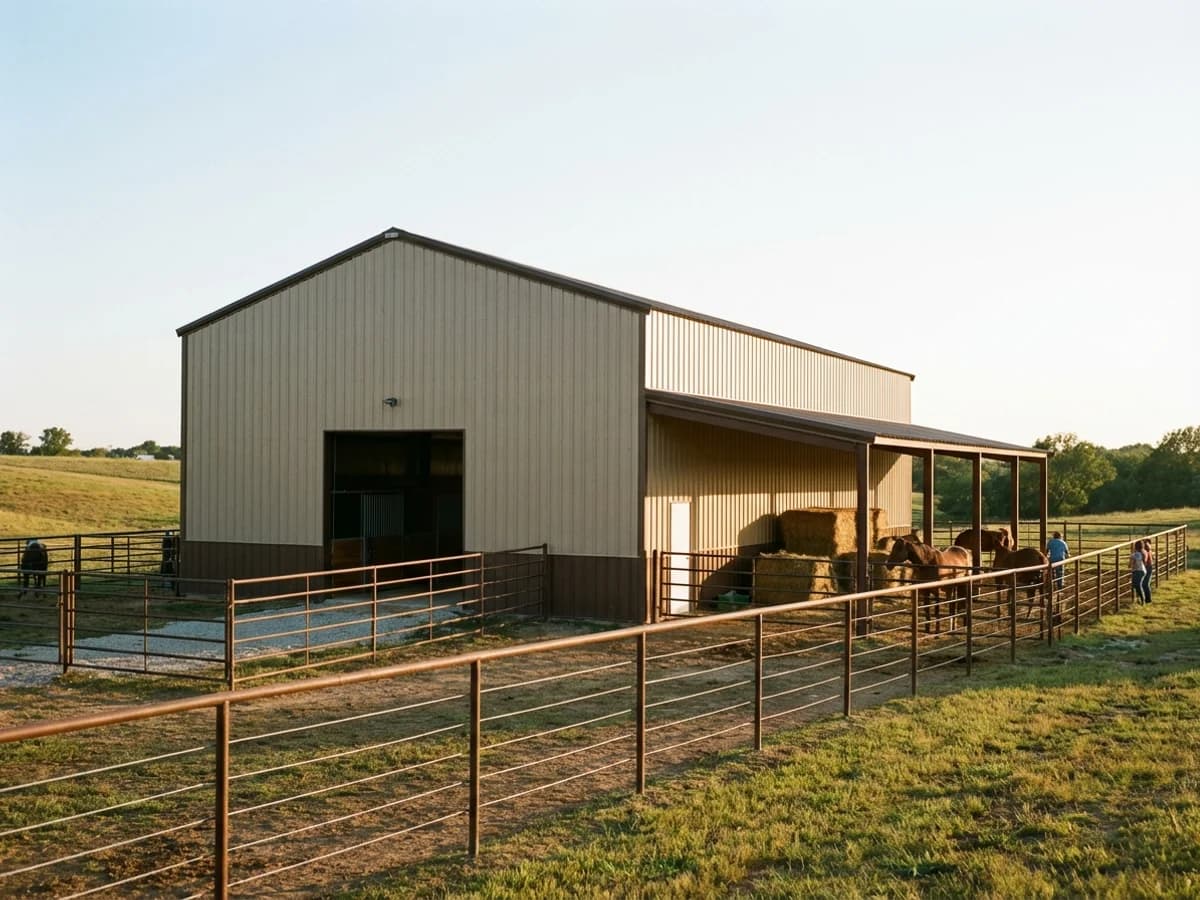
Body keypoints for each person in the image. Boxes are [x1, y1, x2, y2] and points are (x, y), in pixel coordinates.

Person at [1129, 540, 1147, 604]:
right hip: (1142, 570)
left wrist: (1131, 562)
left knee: (1137, 586)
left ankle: (1142, 600)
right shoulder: (1143, 552)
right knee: (1136, 585)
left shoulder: (1134, 555)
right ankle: (1139, 599)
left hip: (1137, 571)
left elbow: (1131, 564)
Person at [1141, 537, 1154, 604]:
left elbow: (1145, 560)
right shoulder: (1149, 549)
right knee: (1145, 584)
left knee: (1145, 584)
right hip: (1148, 567)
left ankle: (1147, 599)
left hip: (1147, 567)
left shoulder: (1146, 548)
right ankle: (1147, 599)